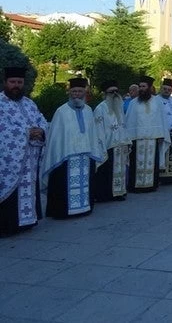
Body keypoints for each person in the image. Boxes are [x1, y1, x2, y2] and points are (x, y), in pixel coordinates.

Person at [42, 77, 104, 218]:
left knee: (86, 183)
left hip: (86, 156)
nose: (76, 94)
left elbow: (93, 134)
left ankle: (84, 208)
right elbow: (56, 137)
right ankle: (63, 211)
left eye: (79, 91)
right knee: (63, 185)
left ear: (84, 92)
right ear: (69, 92)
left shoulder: (88, 110)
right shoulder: (61, 111)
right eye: (74, 91)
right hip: (65, 157)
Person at [0, 67, 47, 237]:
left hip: (30, 158)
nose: (16, 86)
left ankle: (27, 221)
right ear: (5, 83)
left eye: (19, 82)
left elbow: (41, 119)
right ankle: (8, 225)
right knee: (10, 191)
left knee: (28, 188)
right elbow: (3, 129)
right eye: (13, 82)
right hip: (8, 159)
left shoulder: (29, 103)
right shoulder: (0, 103)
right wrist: (27, 133)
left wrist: (41, 130)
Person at [125, 76, 171, 192]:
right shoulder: (133, 103)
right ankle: (136, 186)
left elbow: (162, 119)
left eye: (144, 86)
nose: (141, 89)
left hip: (153, 138)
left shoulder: (157, 102)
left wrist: (161, 135)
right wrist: (129, 137)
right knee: (136, 162)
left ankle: (151, 185)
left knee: (152, 162)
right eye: (140, 86)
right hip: (137, 137)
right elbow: (129, 120)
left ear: (150, 88)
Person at [93, 80, 131, 201]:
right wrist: (101, 144)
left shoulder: (119, 107)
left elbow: (123, 125)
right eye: (111, 92)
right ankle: (106, 194)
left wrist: (127, 140)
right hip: (108, 145)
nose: (114, 94)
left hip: (120, 144)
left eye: (116, 91)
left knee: (120, 169)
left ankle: (119, 192)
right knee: (107, 171)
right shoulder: (100, 108)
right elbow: (98, 129)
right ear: (105, 93)